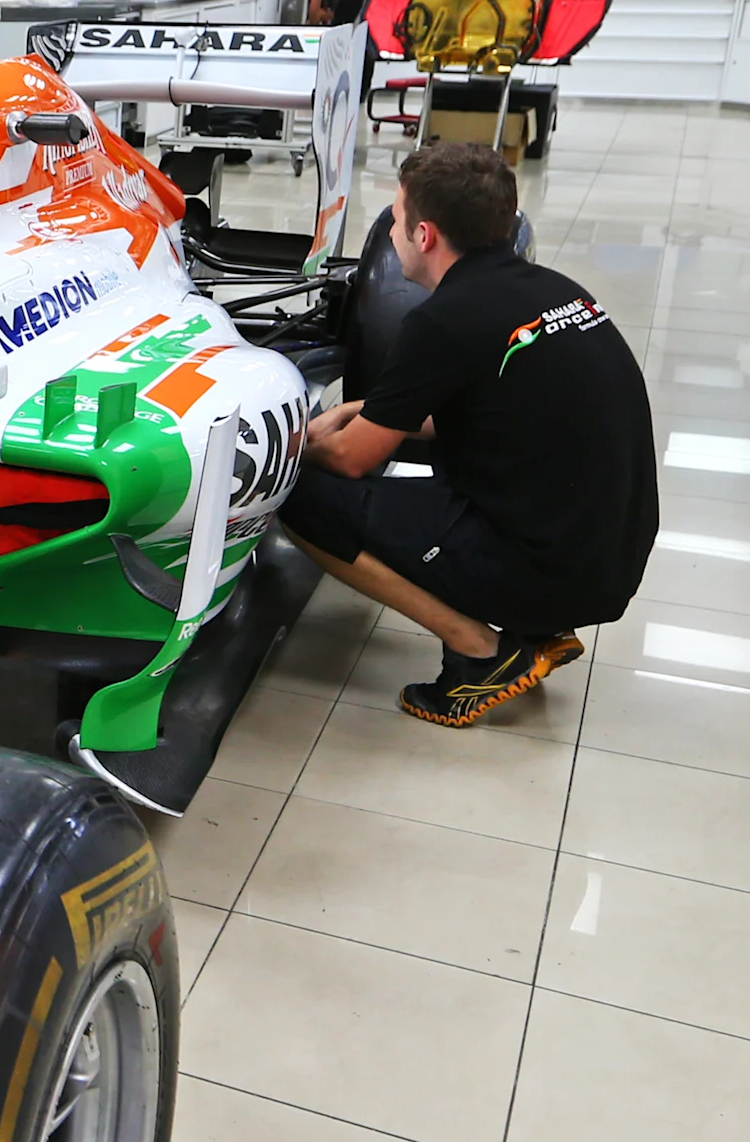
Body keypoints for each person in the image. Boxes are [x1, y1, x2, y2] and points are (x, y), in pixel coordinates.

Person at [280, 142, 656, 725]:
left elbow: (351, 462)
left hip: (555, 570)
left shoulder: (441, 320)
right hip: (607, 557)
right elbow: (494, 410)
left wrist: (290, 442)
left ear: (424, 235)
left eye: (397, 220)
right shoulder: (555, 289)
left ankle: (478, 653)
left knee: (301, 497)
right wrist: (362, 407)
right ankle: (536, 627)